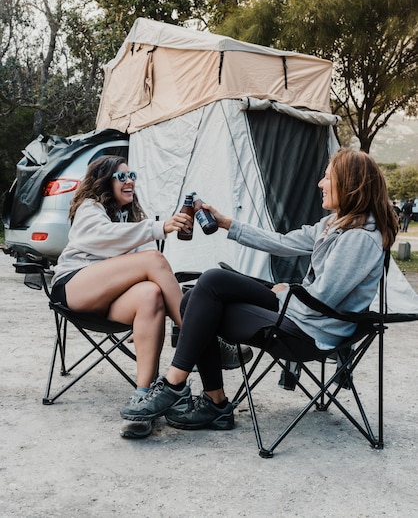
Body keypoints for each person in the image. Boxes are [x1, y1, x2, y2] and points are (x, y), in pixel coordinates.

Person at [119, 148, 399, 433]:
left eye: (327, 177)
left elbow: (323, 299)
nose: (320, 184)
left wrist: (284, 292)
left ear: (350, 184)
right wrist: (226, 222)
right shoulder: (334, 224)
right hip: (301, 312)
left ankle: (180, 387)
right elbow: (280, 242)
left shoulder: (360, 239)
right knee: (197, 294)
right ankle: (211, 402)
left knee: (206, 291)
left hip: (312, 329)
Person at [50, 154, 194, 439]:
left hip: (111, 302)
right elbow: (105, 237)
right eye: (121, 176)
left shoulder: (129, 215)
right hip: (75, 286)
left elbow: (140, 270)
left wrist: (152, 312)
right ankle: (200, 338)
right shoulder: (90, 208)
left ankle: (143, 398)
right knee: (154, 259)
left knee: (151, 293)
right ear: (104, 181)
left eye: (132, 176)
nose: (129, 181)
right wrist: (160, 227)